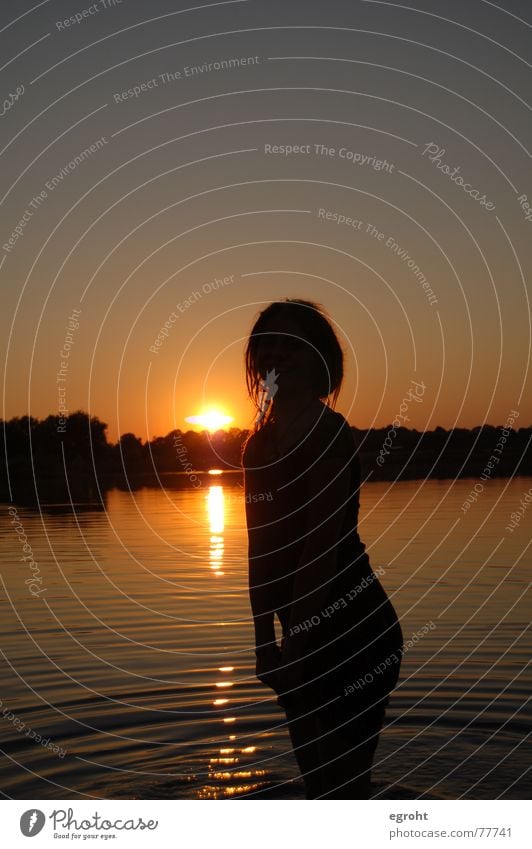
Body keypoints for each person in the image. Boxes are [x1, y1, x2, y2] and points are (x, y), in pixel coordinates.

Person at [241, 298, 404, 799]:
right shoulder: (258, 446)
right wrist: (263, 643)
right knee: (321, 793)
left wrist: (295, 644)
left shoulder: (328, 433)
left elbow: (319, 550)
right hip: (300, 635)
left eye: (291, 343)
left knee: (344, 793)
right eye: (267, 344)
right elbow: (260, 552)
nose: (277, 353)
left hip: (355, 632)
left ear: (320, 358)